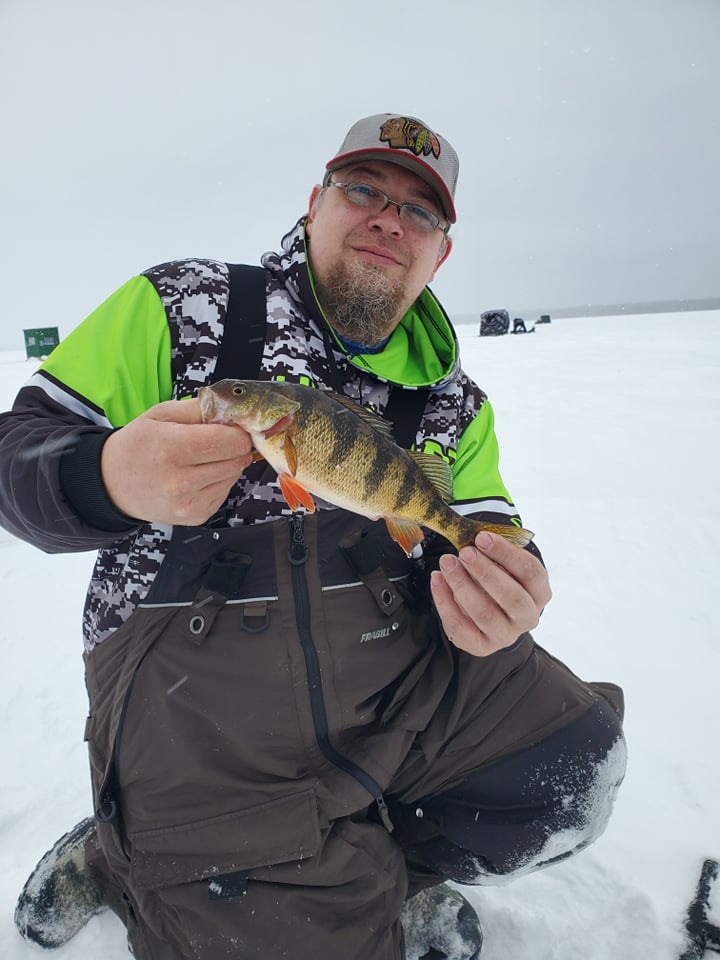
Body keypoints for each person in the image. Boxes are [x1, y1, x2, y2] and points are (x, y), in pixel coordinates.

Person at [0, 113, 626, 960]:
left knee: (570, 771)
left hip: (387, 674)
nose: (386, 219)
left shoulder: (455, 403)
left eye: (419, 211)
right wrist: (107, 474)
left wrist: (511, 586)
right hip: (191, 699)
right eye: (363, 189)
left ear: (441, 251)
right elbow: (16, 457)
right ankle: (126, 856)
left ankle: (373, 870)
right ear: (314, 204)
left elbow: (483, 526)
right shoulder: (183, 307)